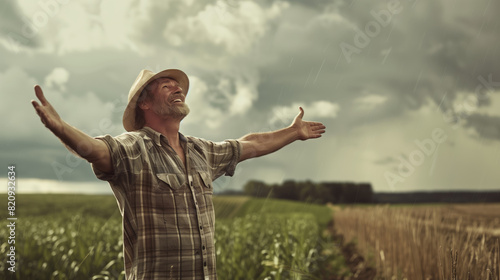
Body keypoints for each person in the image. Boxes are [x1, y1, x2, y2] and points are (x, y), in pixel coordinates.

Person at [31, 68, 326, 280]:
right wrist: (61, 129)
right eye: (166, 86)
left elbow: (251, 144)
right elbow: (95, 150)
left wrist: (293, 132)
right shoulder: (134, 148)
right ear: (144, 104)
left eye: (179, 85)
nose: (178, 89)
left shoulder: (201, 152)